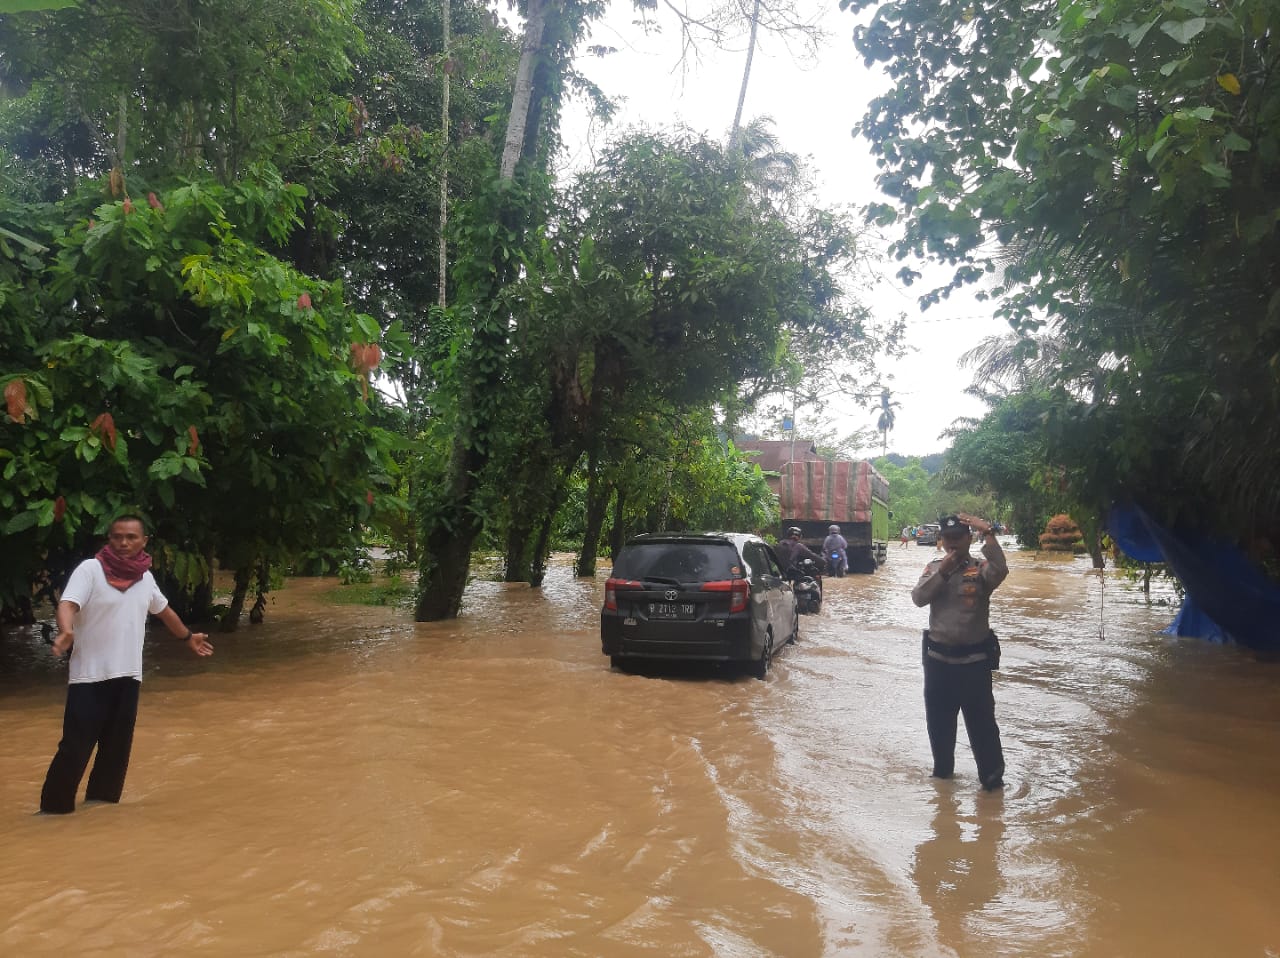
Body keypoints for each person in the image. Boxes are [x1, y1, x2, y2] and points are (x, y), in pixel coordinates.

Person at [39, 515, 214, 815]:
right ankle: (52, 813)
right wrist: (66, 630)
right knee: (75, 749)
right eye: (117, 537)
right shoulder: (91, 570)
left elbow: (164, 611)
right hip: (88, 677)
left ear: (144, 542)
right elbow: (68, 603)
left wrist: (188, 637)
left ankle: (101, 811)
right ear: (109, 539)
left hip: (129, 678)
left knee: (116, 752)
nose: (123, 543)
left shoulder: (145, 578)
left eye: (131, 537)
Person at [910, 512, 1009, 791]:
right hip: (938, 665)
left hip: (974, 665)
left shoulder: (981, 569)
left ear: (968, 539)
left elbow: (1000, 571)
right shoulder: (934, 568)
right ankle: (942, 789)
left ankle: (992, 786)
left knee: (983, 728)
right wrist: (943, 572)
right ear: (941, 541)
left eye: (958, 538)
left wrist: (988, 533)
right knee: (939, 730)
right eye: (948, 538)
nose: (953, 543)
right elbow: (918, 598)